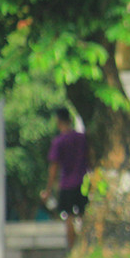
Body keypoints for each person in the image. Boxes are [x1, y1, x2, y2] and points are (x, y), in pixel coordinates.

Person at [40, 107, 89, 250]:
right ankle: (84, 248)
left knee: (69, 218)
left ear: (58, 121)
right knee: (83, 216)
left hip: (67, 184)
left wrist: (48, 190)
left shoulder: (59, 142)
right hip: (82, 183)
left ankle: (73, 250)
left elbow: (54, 167)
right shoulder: (81, 138)